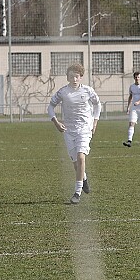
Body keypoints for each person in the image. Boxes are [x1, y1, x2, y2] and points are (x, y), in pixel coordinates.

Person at [47, 63, 101, 204]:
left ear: (81, 77)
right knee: (76, 163)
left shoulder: (88, 91)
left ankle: (77, 193)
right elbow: (51, 107)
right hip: (68, 130)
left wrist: (95, 122)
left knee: (81, 157)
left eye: (77, 76)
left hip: (84, 128)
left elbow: (97, 104)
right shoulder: (63, 92)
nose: (74, 79)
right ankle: (83, 178)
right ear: (67, 77)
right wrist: (56, 122)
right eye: (71, 76)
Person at [123, 71, 140, 147]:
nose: (137, 78)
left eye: (138, 77)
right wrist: (128, 107)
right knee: (131, 123)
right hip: (134, 108)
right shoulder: (132, 87)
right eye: (136, 77)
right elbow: (130, 97)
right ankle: (129, 141)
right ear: (134, 78)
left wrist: (139, 102)